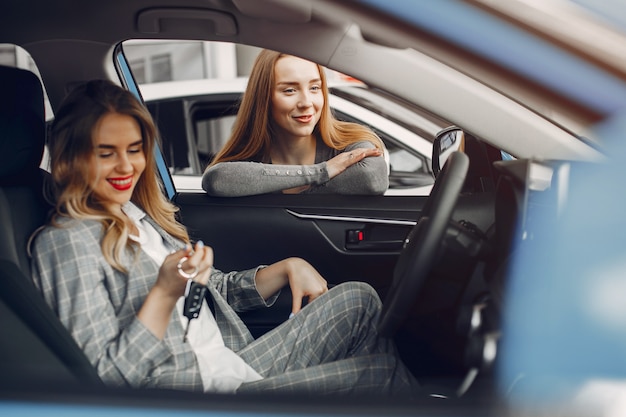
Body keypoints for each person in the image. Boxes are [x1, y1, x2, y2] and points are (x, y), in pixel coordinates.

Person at [30, 80, 418, 396]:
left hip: (230, 363)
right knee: (380, 375)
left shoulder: (137, 216)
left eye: (134, 150)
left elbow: (207, 294)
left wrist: (285, 268)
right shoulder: (67, 243)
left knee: (360, 300)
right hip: (196, 393)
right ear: (69, 159)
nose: (126, 166)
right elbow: (104, 379)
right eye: (106, 153)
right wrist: (164, 295)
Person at [201, 49, 389, 197]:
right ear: (264, 98)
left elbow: (372, 176)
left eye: (315, 88)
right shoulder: (249, 159)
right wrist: (322, 172)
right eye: (290, 90)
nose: (307, 102)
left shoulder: (351, 142)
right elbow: (216, 180)